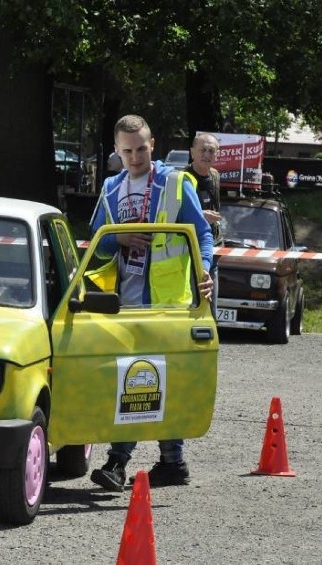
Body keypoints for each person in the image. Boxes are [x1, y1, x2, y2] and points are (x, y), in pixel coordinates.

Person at [88, 114, 213, 492]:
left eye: (141, 148)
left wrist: (204, 271)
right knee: (138, 378)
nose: (136, 156)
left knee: (146, 380)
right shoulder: (111, 189)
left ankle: (118, 462)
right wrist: (120, 240)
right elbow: (96, 239)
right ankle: (172, 463)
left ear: (153, 144)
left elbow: (202, 235)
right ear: (117, 151)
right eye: (127, 150)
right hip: (126, 301)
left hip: (170, 302)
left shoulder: (175, 183)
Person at [184, 132, 222, 313]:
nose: (207, 155)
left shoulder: (215, 176)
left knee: (210, 307)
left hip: (212, 249)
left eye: (211, 151)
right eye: (202, 150)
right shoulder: (181, 179)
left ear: (217, 154)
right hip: (188, 253)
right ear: (192, 152)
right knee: (192, 304)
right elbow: (172, 215)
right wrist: (199, 215)